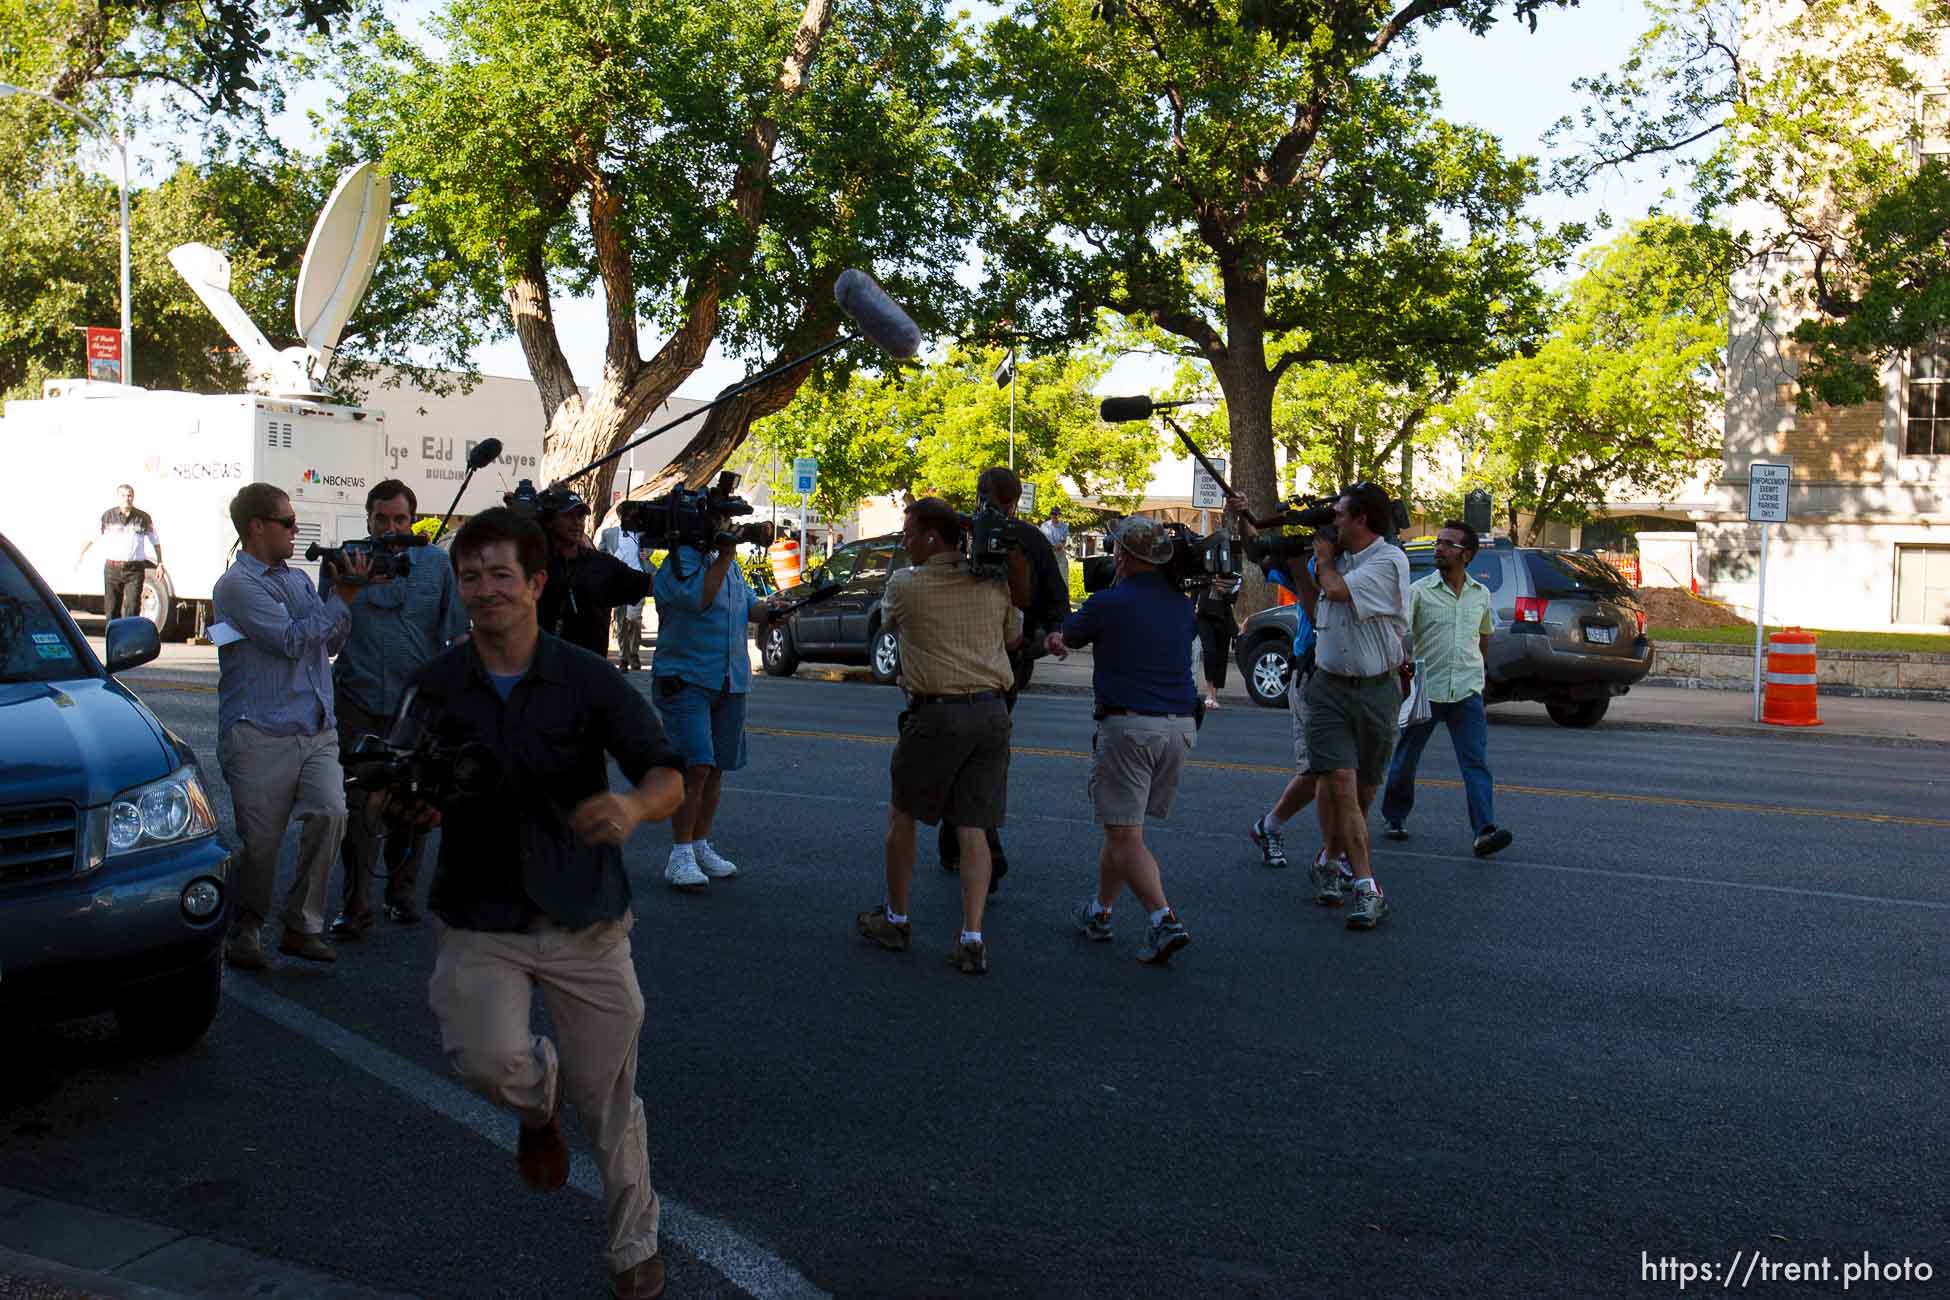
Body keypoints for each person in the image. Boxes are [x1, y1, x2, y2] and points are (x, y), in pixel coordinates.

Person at [402, 508, 684, 1300]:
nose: (485, 590)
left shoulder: (586, 676)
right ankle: (536, 1108)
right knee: (490, 1061)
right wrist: (409, 808)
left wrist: (630, 810)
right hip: (480, 912)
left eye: (501, 575)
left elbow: (667, 773)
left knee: (610, 1099)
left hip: (584, 912)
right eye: (470, 576)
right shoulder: (434, 687)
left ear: (535, 584)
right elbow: (402, 786)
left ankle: (635, 1247)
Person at [857, 497, 1022, 975]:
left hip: (938, 713)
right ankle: (972, 935)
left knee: (903, 816)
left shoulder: (907, 585)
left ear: (932, 538)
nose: (904, 542)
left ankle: (897, 918)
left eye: (909, 533)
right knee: (973, 827)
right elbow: (1013, 637)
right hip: (992, 714)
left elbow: (888, 621)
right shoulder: (993, 585)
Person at [210, 482, 359, 969]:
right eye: (289, 522)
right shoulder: (236, 586)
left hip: (316, 728)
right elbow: (292, 640)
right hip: (258, 731)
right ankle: (246, 929)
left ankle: (301, 925)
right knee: (262, 846)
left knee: (331, 812)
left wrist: (343, 596)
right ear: (257, 527)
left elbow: (329, 641)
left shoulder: (296, 579)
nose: (297, 530)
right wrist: (342, 599)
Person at [1044, 516, 1197, 964]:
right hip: (1180, 727)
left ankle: (1162, 919)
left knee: (1125, 835)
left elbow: (1065, 637)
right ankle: (1100, 911)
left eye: (1116, 549)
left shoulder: (1108, 602)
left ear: (1125, 557)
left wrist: (1052, 637)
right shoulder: (1181, 605)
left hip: (1129, 727)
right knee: (1123, 827)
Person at [328, 480, 469, 939]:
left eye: (399, 519)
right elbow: (323, 634)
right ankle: (356, 905)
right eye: (380, 519)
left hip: (418, 709)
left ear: (413, 519)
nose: (390, 527)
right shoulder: (345, 560)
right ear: (367, 519)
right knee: (359, 808)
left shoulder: (436, 565)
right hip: (358, 701)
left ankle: (403, 893)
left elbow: (456, 637)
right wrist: (348, 583)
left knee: (414, 801)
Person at [936, 466, 1069, 893]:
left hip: (969, 653)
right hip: (1005, 659)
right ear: (1015, 501)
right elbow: (1055, 596)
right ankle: (975, 840)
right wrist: (1049, 630)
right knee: (987, 748)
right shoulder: (1029, 539)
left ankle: (964, 839)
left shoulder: (961, 531)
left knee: (964, 744)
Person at [1289, 483, 1411, 931]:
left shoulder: (1388, 560)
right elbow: (1312, 596)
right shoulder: (1333, 561)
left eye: (1340, 515)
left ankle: (1327, 860)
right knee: (1341, 786)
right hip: (1328, 689)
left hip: (1377, 688)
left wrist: (1321, 559)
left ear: (1362, 520)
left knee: (1362, 793)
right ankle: (1366, 888)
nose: (1334, 522)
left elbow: (1337, 591)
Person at [1381, 521, 1515, 857]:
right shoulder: (1421, 592)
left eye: (1448, 544)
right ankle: (1395, 816)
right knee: (1407, 758)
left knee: (1476, 763)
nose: (1439, 548)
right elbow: (1398, 634)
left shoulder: (1480, 595)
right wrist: (1403, 669)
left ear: (1466, 555)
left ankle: (1484, 830)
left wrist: (1474, 670)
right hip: (1427, 688)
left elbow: (1483, 637)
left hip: (1467, 692)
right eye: (1438, 542)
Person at [650, 509, 767, 891]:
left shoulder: (726, 565)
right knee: (695, 765)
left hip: (729, 678)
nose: (726, 528)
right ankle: (679, 854)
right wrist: (728, 554)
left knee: (716, 767)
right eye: (718, 522)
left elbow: (746, 601)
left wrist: (771, 611)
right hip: (686, 678)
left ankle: (700, 845)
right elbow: (700, 598)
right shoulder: (679, 564)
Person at [537, 487, 653, 659]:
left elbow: (649, 585)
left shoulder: (601, 564)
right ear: (550, 521)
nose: (577, 522)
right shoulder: (533, 563)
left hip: (589, 674)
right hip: (542, 670)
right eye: (568, 516)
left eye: (580, 516)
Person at [87, 484, 165, 623]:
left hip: (134, 570)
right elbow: (92, 537)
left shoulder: (143, 518)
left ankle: (130, 643)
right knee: (112, 610)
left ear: (133, 497)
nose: (126, 499)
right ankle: (112, 643)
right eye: (123, 496)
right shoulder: (108, 517)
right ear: (118, 497)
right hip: (112, 569)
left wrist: (160, 563)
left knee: (132, 609)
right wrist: (80, 554)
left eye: (129, 495)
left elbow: (156, 541)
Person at [599, 516, 654, 671]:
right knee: (621, 621)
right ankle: (623, 657)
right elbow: (600, 552)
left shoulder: (642, 534)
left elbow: (651, 547)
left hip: (638, 581)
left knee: (634, 619)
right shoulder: (609, 533)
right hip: (616, 582)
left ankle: (634, 654)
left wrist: (647, 553)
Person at [1194, 571, 1242, 709]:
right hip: (1204, 617)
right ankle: (1209, 692)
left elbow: (1233, 599)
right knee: (1210, 652)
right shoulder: (1205, 573)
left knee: (1221, 656)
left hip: (1223, 619)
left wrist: (1222, 590)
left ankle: (1214, 694)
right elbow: (1195, 593)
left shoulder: (1234, 577)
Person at [1040, 505, 1071, 579]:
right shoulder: (1044, 526)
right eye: (1052, 514)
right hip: (1047, 553)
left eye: (1056, 514)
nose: (1054, 515)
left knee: (1063, 576)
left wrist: (1061, 545)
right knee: (1046, 576)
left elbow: (1064, 540)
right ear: (1050, 514)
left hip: (1060, 553)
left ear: (1059, 515)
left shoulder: (1064, 526)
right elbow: (1041, 540)